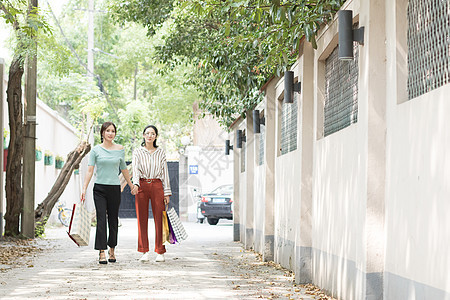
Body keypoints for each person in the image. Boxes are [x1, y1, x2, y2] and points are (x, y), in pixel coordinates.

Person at [81, 122, 137, 264]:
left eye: (113, 131)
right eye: (108, 131)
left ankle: (112, 249)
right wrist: (84, 188)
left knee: (113, 220)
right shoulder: (95, 150)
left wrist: (130, 185)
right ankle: (101, 251)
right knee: (101, 219)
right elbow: (89, 170)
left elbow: (124, 169)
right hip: (99, 189)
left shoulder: (120, 149)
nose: (110, 133)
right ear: (102, 133)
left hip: (114, 189)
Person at [132, 125, 171, 263]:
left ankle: (160, 251)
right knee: (141, 219)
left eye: (152, 133)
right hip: (142, 185)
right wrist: (135, 184)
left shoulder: (160, 152)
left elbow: (165, 172)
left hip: (157, 185)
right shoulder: (137, 152)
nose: (150, 135)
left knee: (160, 218)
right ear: (143, 135)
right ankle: (144, 251)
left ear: (156, 136)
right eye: (147, 133)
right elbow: (135, 169)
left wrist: (167, 192)